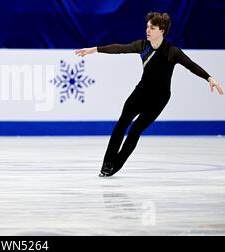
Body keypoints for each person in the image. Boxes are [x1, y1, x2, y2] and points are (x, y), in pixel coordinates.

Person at [75, 12, 223, 177]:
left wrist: (209, 78)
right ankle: (107, 163)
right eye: (147, 27)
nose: (148, 30)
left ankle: (115, 165)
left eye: (152, 28)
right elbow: (120, 48)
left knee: (135, 131)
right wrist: (95, 49)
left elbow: (190, 65)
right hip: (140, 93)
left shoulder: (172, 51)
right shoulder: (142, 46)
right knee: (121, 126)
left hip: (159, 99)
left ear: (161, 30)